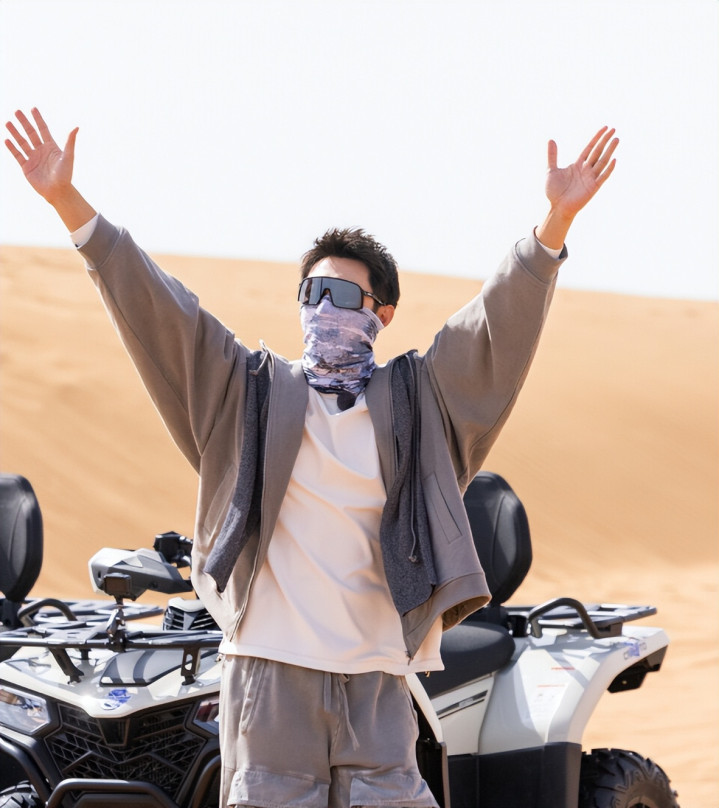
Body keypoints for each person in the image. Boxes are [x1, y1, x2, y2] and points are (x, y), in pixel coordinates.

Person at [5, 108, 617, 808]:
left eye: (343, 294)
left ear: (382, 312)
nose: (323, 308)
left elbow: (491, 333)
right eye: (312, 293)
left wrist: (554, 224)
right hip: (270, 674)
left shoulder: (418, 405)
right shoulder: (248, 394)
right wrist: (70, 205)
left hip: (377, 678)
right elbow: (161, 313)